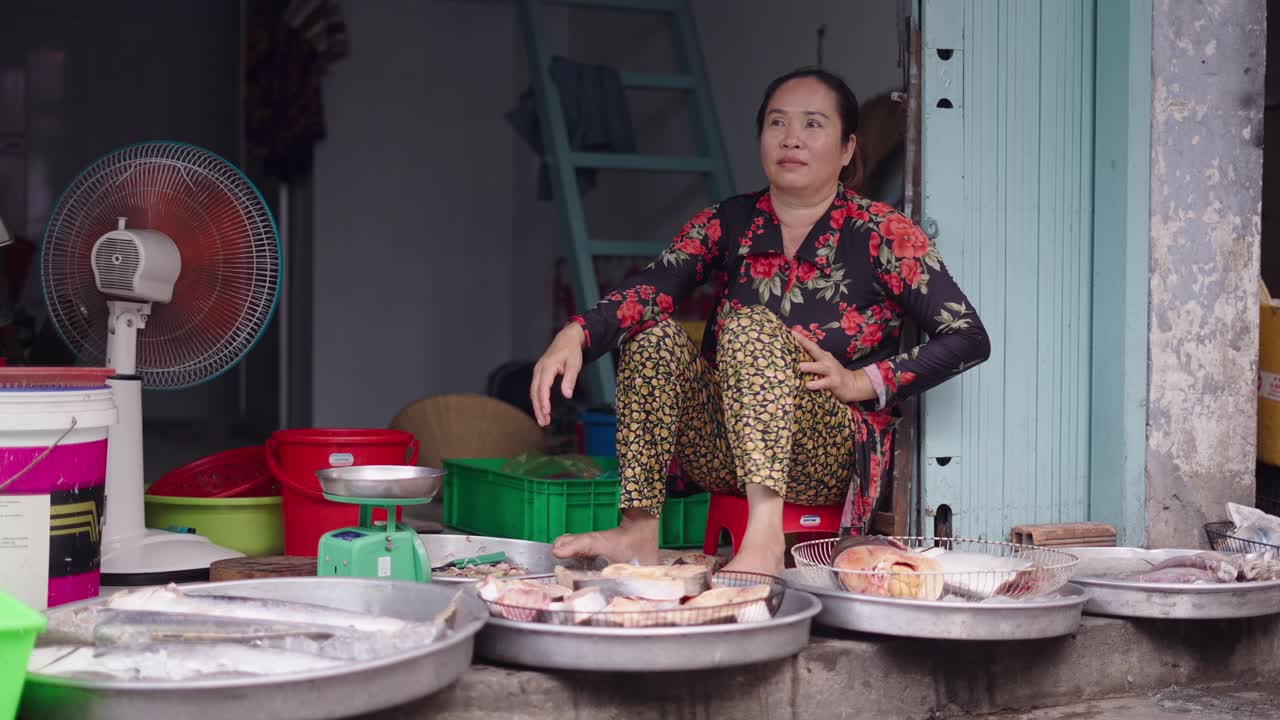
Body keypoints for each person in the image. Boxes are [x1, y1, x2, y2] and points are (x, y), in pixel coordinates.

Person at [529, 67, 991, 575]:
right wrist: (577, 332)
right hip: (725, 447)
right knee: (653, 334)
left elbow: (967, 335)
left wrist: (864, 380)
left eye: (813, 124)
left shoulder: (882, 231)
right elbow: (655, 287)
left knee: (750, 326)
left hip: (825, 447)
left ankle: (765, 537)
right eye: (777, 123)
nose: (791, 138)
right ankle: (637, 529)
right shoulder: (730, 221)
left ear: (846, 148)